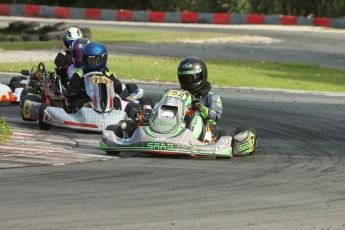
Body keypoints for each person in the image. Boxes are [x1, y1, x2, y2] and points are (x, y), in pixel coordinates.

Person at [177, 56, 223, 141]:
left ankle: (188, 139)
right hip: (178, 126)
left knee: (196, 118)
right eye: (185, 78)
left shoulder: (212, 97)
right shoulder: (178, 96)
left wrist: (201, 108)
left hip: (203, 131)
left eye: (192, 78)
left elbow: (215, 118)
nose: (188, 81)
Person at [68, 41, 123, 110]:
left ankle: (116, 117)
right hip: (87, 100)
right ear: (84, 59)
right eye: (89, 60)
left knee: (116, 100)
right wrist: (82, 92)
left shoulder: (106, 73)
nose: (92, 63)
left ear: (103, 58)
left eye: (95, 60)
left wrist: (116, 84)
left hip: (105, 101)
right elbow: (72, 93)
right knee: (82, 105)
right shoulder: (79, 74)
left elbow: (119, 89)